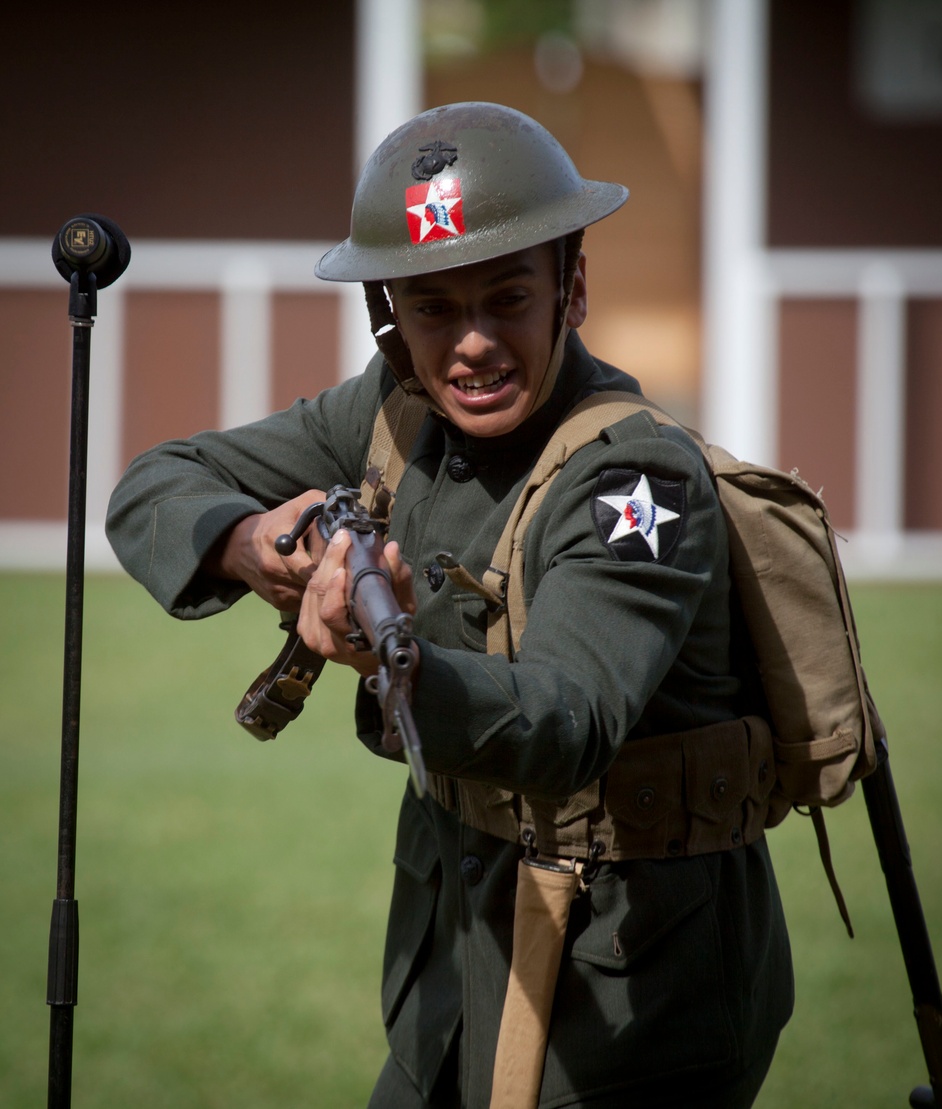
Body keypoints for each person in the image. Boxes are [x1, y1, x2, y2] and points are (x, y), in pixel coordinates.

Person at [106, 101, 793, 1108]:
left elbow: (569, 716)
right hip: (454, 966)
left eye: (505, 298)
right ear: (389, 315)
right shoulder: (390, 409)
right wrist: (254, 543)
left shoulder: (634, 478)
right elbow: (155, 482)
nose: (468, 344)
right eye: (431, 308)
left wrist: (383, 656)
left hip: (636, 1002)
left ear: (572, 288)